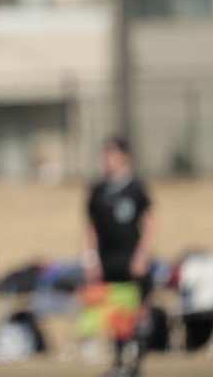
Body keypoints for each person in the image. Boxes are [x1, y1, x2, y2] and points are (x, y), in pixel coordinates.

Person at [83, 137, 156, 377]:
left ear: (125, 158)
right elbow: (90, 225)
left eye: (112, 155)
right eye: (105, 156)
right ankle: (119, 362)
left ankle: (137, 362)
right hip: (108, 260)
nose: (106, 161)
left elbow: (151, 221)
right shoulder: (98, 190)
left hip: (132, 259)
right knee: (115, 313)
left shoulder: (136, 187)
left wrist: (142, 254)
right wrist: (91, 258)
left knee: (138, 310)